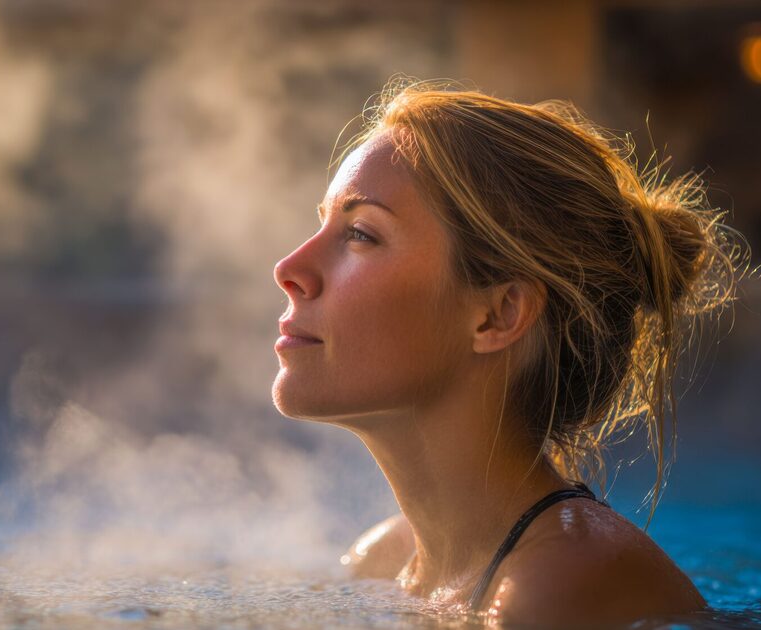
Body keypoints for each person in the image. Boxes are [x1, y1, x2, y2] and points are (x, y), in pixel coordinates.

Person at [271, 80, 748, 626]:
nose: (289, 269)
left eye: (360, 233)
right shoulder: (384, 562)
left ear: (498, 315)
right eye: (322, 224)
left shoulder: (565, 585)